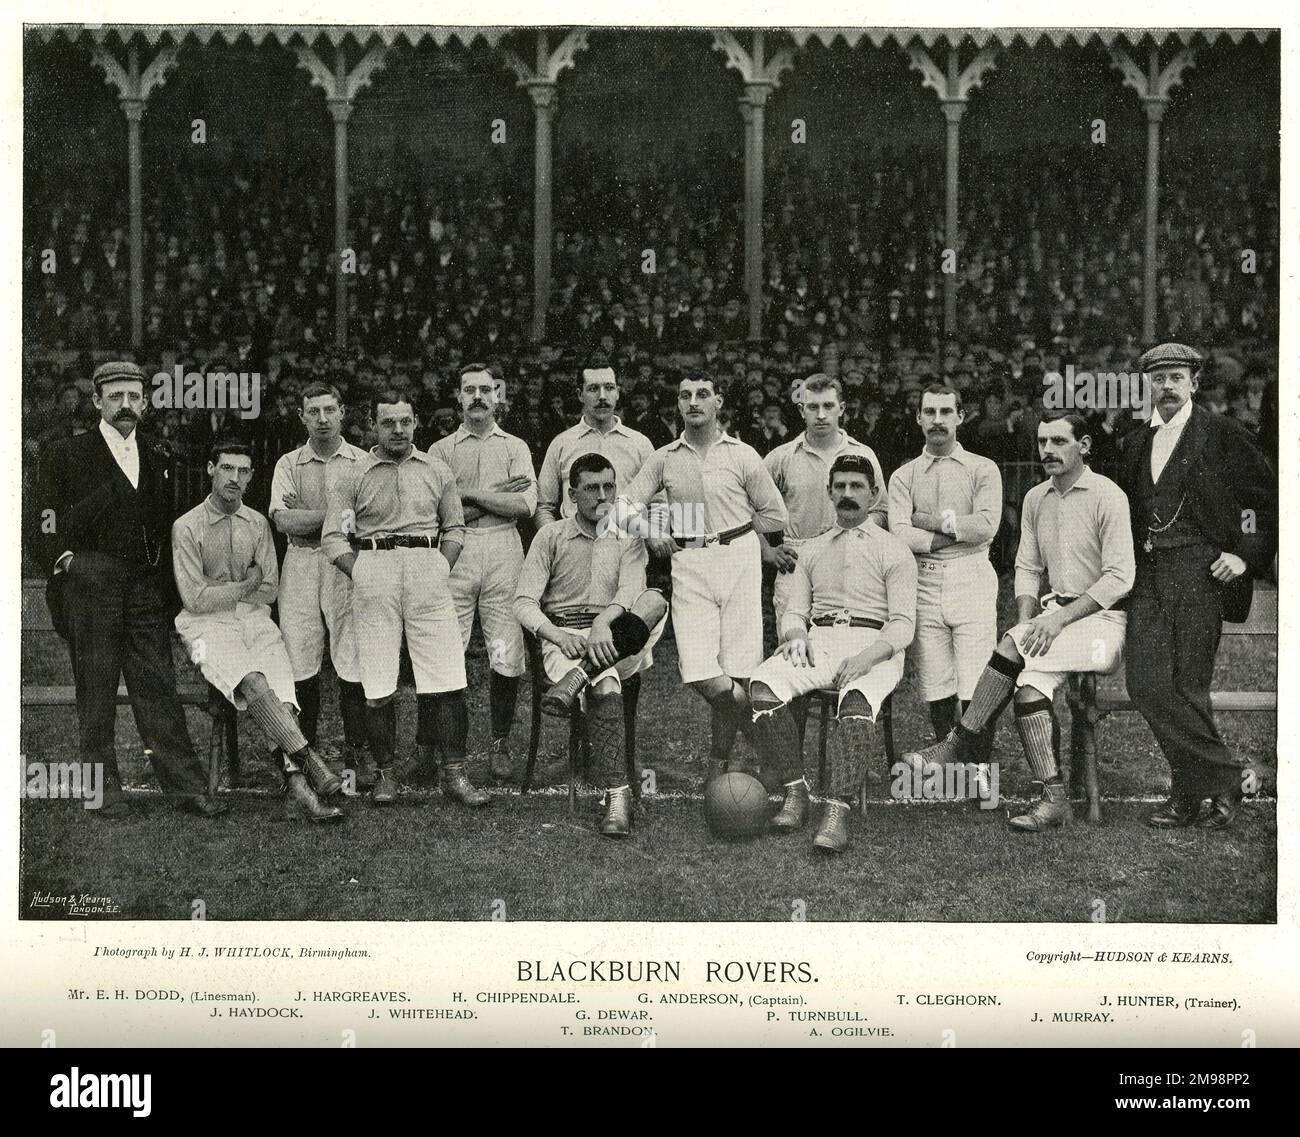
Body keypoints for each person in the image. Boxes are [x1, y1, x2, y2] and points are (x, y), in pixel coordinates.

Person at [902, 412, 1134, 830]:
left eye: (1059, 442)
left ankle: (960, 739)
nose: (1047, 451)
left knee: (1012, 646)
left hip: (1103, 625)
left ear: (1083, 445)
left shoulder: (1108, 495)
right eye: (1043, 442)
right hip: (1054, 624)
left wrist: (1054, 621)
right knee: (1028, 689)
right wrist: (1030, 620)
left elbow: (1120, 578)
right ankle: (1054, 799)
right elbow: (1026, 567)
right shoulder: (1034, 498)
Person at [36, 360, 225, 819]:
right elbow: (42, 522)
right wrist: (69, 563)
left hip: (142, 588)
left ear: (146, 402)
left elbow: (167, 528)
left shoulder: (157, 456)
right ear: (98, 401)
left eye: (134, 397)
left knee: (157, 686)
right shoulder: (64, 454)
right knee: (95, 692)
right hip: (90, 587)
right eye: (116, 396)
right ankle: (102, 792)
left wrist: (163, 585)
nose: (126, 405)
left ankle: (185, 788)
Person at [1119, 342, 1276, 830]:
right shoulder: (1133, 441)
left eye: (1175, 377)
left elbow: (1264, 501)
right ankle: (1228, 778)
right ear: (1148, 384)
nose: (1166, 386)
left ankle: (1187, 797)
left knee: (1189, 686)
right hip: (1148, 575)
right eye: (1158, 377)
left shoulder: (1224, 435)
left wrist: (1244, 556)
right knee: (1144, 681)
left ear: (1193, 383)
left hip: (1201, 573)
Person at [615, 375, 789, 780]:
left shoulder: (743, 455)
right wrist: (655, 531)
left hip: (738, 560)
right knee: (698, 671)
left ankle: (719, 763)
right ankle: (772, 742)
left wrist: (740, 534)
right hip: (690, 563)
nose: (694, 402)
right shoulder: (664, 457)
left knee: (738, 667)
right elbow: (622, 508)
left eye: (702, 395)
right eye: (685, 396)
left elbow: (774, 514)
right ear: (678, 405)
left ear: (718, 403)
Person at [322, 396, 490, 809]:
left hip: (426, 569)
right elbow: (333, 537)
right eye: (388, 422)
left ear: (416, 423)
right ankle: (385, 773)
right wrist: (359, 570)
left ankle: (455, 774)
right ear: (373, 426)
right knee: (377, 681)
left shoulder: (436, 469)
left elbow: (454, 527)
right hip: (374, 565)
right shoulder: (353, 473)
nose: (398, 430)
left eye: (405, 421)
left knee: (449, 676)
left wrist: (439, 565)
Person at [749, 454, 916, 853]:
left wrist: (868, 657)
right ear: (828, 492)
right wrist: (793, 635)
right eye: (839, 486)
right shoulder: (812, 548)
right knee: (762, 686)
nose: (847, 494)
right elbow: (795, 611)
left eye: (857, 486)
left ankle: (837, 811)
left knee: (856, 699)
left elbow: (903, 624)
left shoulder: (894, 551)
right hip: (819, 641)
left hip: (874, 647)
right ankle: (796, 791)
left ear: (874, 494)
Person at [172, 442, 343, 823]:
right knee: (250, 679)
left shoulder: (257, 523)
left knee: (281, 691)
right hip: (201, 630)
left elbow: (270, 588)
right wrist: (247, 584)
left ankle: (299, 790)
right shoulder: (186, 526)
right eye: (227, 468)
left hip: (254, 620)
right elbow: (194, 599)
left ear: (250, 477)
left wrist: (244, 589)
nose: (234, 478)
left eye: (243, 471)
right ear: (210, 469)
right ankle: (309, 760)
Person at [514, 454, 669, 837]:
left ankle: (582, 676)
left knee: (655, 600)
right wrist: (557, 635)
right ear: (571, 494)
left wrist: (602, 622)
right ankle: (618, 797)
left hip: (617, 635)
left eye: (609, 487)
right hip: (565, 641)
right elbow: (523, 603)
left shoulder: (627, 535)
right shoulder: (550, 536)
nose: (602, 496)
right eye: (591, 488)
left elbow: (631, 590)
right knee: (606, 682)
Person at [428, 364, 537, 782]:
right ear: (458, 397)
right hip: (455, 548)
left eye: (485, 390)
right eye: (469, 390)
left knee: (505, 651)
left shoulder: (515, 446)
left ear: (497, 395)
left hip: (504, 547)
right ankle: (442, 746)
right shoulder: (439, 451)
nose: (477, 397)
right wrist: (491, 496)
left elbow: (524, 507)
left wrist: (465, 493)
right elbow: (440, 513)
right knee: (444, 647)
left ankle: (500, 743)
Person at [268, 383, 372, 788]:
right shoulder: (288, 464)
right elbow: (284, 521)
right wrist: (336, 514)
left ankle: (355, 753)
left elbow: (367, 521)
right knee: (299, 660)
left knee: (351, 657)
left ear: (342, 412)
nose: (323, 419)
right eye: (314, 412)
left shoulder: (363, 462)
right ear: (302, 416)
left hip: (344, 562)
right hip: (301, 562)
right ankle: (302, 754)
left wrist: (312, 516)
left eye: (330, 410)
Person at [888, 385, 1002, 748]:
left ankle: (978, 766)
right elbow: (900, 533)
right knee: (936, 682)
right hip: (924, 578)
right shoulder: (903, 476)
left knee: (976, 681)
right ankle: (950, 761)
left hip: (971, 574)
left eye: (945, 412)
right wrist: (953, 531)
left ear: (960, 417)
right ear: (919, 418)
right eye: (930, 413)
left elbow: (985, 526)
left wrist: (928, 520)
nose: (938, 421)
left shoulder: (983, 468)